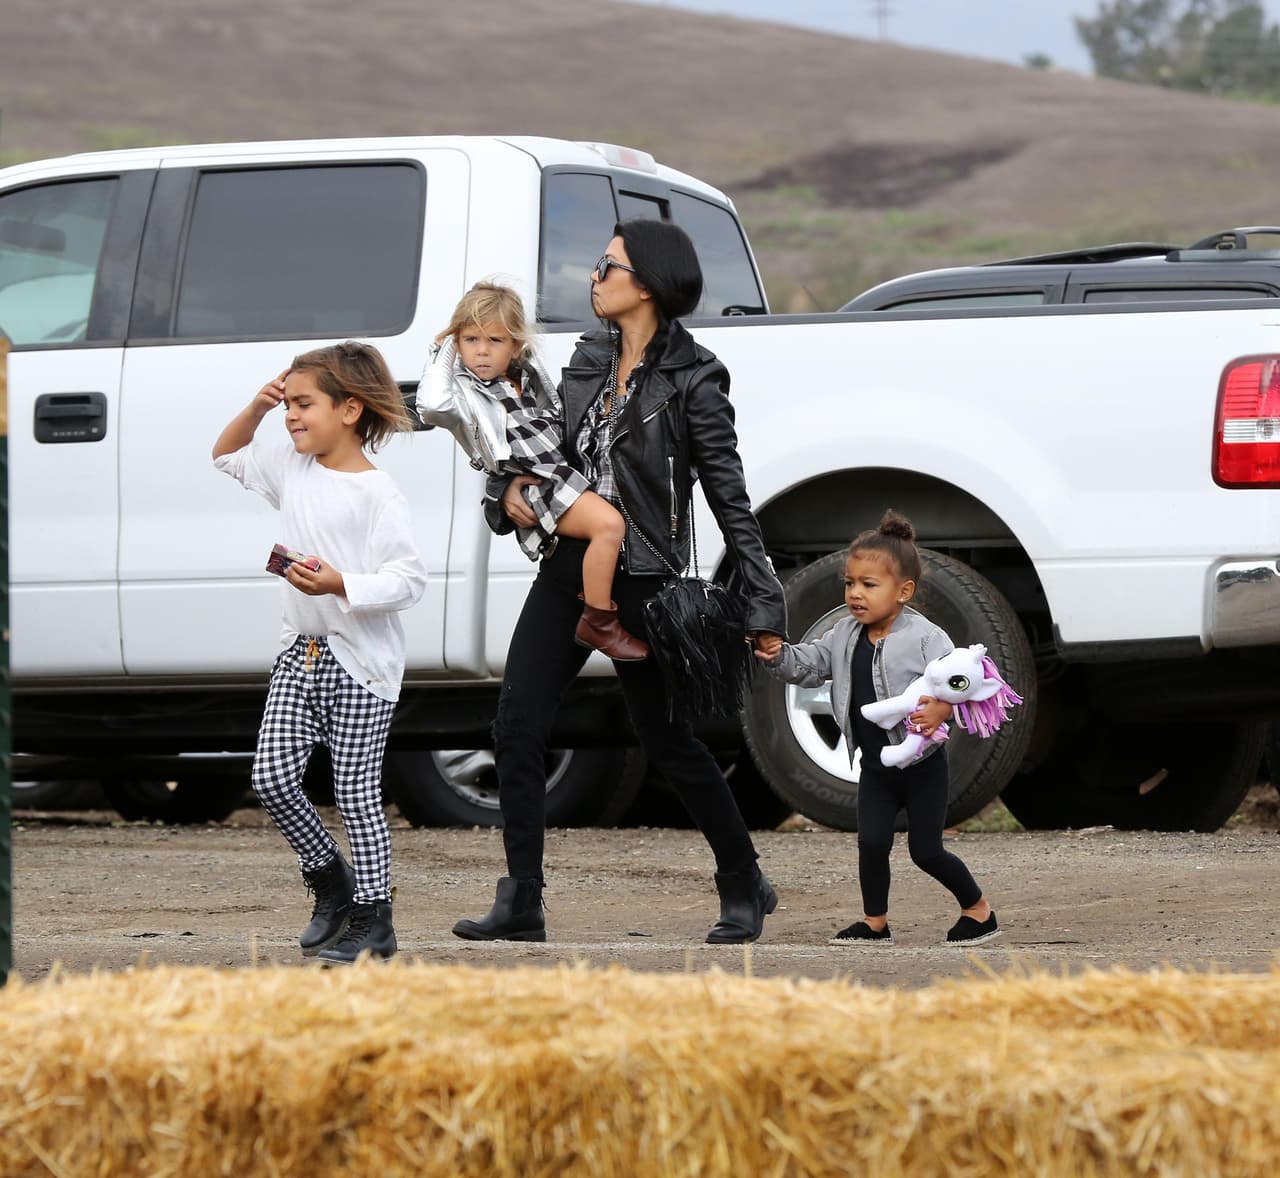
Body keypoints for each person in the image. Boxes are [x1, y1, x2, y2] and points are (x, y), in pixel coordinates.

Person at [452, 219, 787, 945]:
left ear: (649, 284)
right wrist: (501, 496)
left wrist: (763, 600)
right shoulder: (585, 360)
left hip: (644, 578)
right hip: (566, 567)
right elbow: (534, 448)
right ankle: (522, 899)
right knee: (516, 725)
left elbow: (729, 496)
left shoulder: (695, 377)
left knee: (667, 742)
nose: (595, 278)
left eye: (608, 267)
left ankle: (742, 882)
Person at [212, 342, 427, 964]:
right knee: (271, 778)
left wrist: (341, 584)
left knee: (357, 793)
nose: (292, 416)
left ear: (350, 409)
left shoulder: (377, 494)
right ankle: (330, 879)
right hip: (299, 652)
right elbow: (225, 454)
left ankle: (374, 917)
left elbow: (407, 581)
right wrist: (256, 406)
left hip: (361, 662)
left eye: (305, 404)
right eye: (289, 403)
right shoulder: (290, 465)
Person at [755, 511, 1001, 947]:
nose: (855, 594)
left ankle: (978, 912)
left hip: (923, 766)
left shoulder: (925, 637)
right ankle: (875, 923)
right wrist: (778, 656)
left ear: (903, 591)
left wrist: (942, 710)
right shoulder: (842, 633)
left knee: (926, 851)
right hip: (875, 767)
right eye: (850, 583)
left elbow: (966, 681)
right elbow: (810, 667)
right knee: (870, 844)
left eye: (869, 585)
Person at [421, 281, 647, 660]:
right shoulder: (465, 391)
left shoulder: (522, 379)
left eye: (494, 340)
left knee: (610, 525)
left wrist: (521, 353)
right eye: (470, 339)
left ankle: (596, 610)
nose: (481, 351)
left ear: (515, 347)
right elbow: (431, 405)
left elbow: (551, 398)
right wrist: (443, 345)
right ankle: (599, 620)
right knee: (608, 526)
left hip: (559, 475)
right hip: (539, 484)